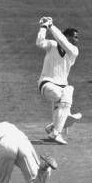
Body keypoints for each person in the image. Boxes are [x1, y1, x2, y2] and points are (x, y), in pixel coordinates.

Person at [36, 16, 83, 146]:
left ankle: (54, 128)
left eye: (77, 37)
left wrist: (51, 25)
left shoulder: (73, 51)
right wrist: (44, 27)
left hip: (62, 86)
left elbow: (62, 40)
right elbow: (39, 42)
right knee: (61, 96)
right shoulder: (52, 45)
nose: (76, 40)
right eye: (74, 36)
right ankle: (56, 130)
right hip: (46, 83)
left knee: (68, 90)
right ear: (66, 35)